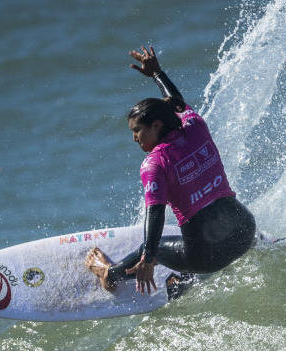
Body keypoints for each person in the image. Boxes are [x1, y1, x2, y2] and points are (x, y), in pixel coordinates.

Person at [86, 46, 256, 296]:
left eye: (137, 131)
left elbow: (155, 214)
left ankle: (108, 275)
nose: (134, 138)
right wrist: (157, 74)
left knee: (152, 246)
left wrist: (148, 257)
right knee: (191, 232)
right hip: (245, 232)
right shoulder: (195, 125)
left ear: (156, 125)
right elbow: (176, 102)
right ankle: (183, 281)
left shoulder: (155, 163)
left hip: (208, 258)